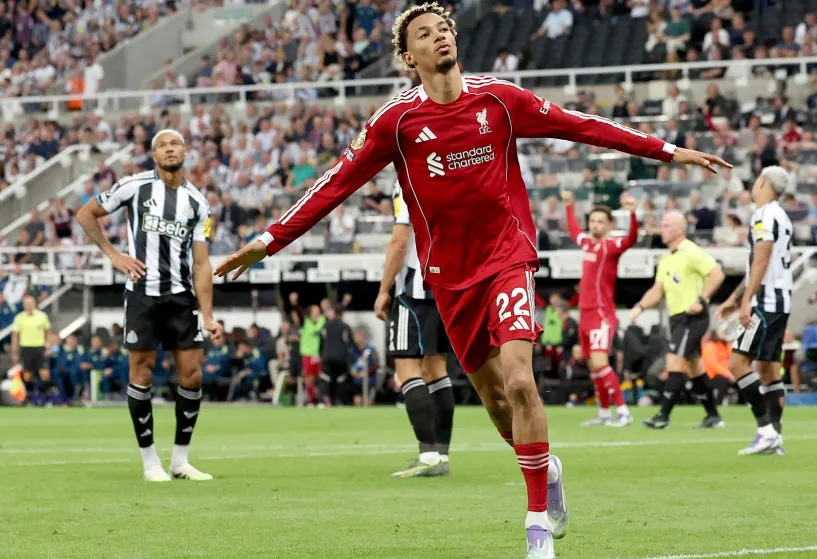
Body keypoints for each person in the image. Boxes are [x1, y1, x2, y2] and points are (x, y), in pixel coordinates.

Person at [214, 4, 729, 556]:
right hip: (448, 279)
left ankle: (535, 526)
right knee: (494, 401)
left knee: (520, 380)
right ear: (409, 57)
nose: (439, 38)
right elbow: (334, 184)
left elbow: (582, 126)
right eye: (424, 35)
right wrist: (268, 242)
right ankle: (545, 467)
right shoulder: (396, 122)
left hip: (508, 258)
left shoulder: (500, 100)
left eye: (443, 29)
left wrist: (668, 151)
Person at [76, 129, 223, 483]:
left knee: (193, 374)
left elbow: (202, 263)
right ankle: (149, 462)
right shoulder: (134, 185)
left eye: (175, 144)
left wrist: (208, 314)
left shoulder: (198, 202)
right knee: (141, 372)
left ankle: (180, 461)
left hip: (182, 296)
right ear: (154, 154)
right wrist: (114, 255)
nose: (170, 149)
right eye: (163, 145)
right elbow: (86, 214)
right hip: (142, 293)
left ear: (185, 151)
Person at [375, 181, 456, 477]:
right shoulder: (445, 169)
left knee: (407, 369)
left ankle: (429, 454)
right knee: (436, 370)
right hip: (449, 285)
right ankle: (442, 456)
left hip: (416, 290)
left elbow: (400, 241)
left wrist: (384, 289)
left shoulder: (408, 179)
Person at [715, 166, 793, 456]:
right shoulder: (780, 215)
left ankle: (766, 432)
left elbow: (761, 259)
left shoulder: (764, 214)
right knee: (769, 368)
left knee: (737, 363)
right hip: (780, 300)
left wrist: (747, 301)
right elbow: (758, 265)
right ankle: (775, 438)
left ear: (763, 182)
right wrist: (736, 297)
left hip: (766, 302)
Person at [629, 213, 726, 429]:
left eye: (666, 225)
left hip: (692, 317)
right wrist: (640, 306)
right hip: (677, 318)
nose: (661, 229)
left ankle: (663, 415)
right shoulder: (666, 259)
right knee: (694, 367)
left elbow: (717, 274)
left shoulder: (691, 251)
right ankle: (713, 415)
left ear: (679, 230)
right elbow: (658, 290)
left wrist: (701, 299)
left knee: (674, 360)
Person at [560, 190, 637, 427]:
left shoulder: (610, 246)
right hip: (585, 313)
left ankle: (623, 411)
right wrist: (570, 207)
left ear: (610, 224)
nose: (595, 225)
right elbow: (574, 231)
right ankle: (604, 413)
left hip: (602, 313)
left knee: (601, 363)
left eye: (600, 221)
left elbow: (630, 239)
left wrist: (632, 215)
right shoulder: (586, 244)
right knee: (593, 365)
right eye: (592, 221)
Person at [11, 295, 51, 403]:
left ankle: (44, 397)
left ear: (34, 304)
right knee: (27, 376)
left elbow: (48, 333)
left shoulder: (42, 316)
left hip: (39, 348)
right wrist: (14, 352)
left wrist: (48, 346)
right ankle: (29, 398)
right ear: (23, 305)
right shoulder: (19, 318)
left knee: (45, 374)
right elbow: (15, 336)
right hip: (26, 348)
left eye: (30, 303)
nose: (28, 305)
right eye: (26, 303)